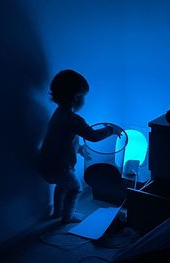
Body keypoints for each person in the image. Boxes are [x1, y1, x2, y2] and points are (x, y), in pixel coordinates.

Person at [39, 69, 122, 223]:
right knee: (76, 188)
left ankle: (57, 212)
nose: (84, 100)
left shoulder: (59, 114)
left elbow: (63, 139)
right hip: (60, 167)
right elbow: (93, 136)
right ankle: (67, 217)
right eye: (84, 96)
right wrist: (111, 129)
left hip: (46, 163)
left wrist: (80, 149)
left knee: (62, 185)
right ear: (76, 97)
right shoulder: (73, 119)